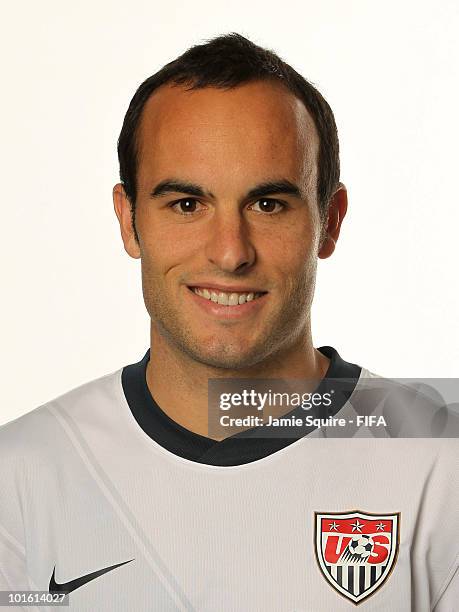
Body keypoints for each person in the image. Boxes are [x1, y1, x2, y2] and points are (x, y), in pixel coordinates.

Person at [0, 32, 457, 611]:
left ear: (330, 221)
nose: (229, 252)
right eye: (187, 205)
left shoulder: (439, 466)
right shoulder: (18, 480)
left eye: (268, 204)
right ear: (128, 219)